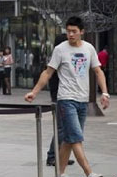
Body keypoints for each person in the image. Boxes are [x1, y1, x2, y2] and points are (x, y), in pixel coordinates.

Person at [24, 16, 110, 177]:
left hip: (82, 100)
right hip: (66, 99)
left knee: (69, 139)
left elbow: (98, 71)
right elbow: (48, 72)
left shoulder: (89, 48)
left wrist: (104, 93)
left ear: (81, 32)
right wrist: (34, 92)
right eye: (68, 31)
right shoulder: (60, 49)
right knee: (76, 137)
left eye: (74, 31)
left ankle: (60, 173)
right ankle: (89, 173)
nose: (70, 34)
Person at [46, 34, 75, 167]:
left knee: (66, 128)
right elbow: (53, 81)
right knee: (61, 129)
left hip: (64, 97)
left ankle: (62, 156)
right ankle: (52, 156)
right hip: (60, 97)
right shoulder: (57, 58)